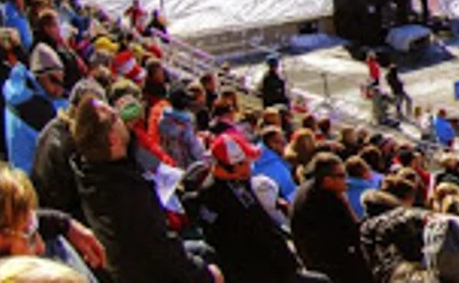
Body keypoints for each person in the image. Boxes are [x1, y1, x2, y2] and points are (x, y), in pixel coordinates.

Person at [68, 97, 223, 283]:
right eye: (116, 117)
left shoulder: (91, 169)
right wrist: (206, 276)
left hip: (143, 259)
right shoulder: (126, 195)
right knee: (209, 259)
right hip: (151, 270)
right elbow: (162, 251)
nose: (121, 117)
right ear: (113, 139)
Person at [194, 132, 305, 283]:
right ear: (232, 166)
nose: (251, 166)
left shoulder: (236, 183)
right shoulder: (217, 196)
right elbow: (255, 232)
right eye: (246, 162)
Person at [291, 152, 375, 283]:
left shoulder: (308, 188)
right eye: (341, 176)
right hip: (331, 266)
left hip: (314, 258)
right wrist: (346, 203)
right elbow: (355, 234)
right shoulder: (327, 203)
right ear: (327, 180)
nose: (346, 180)